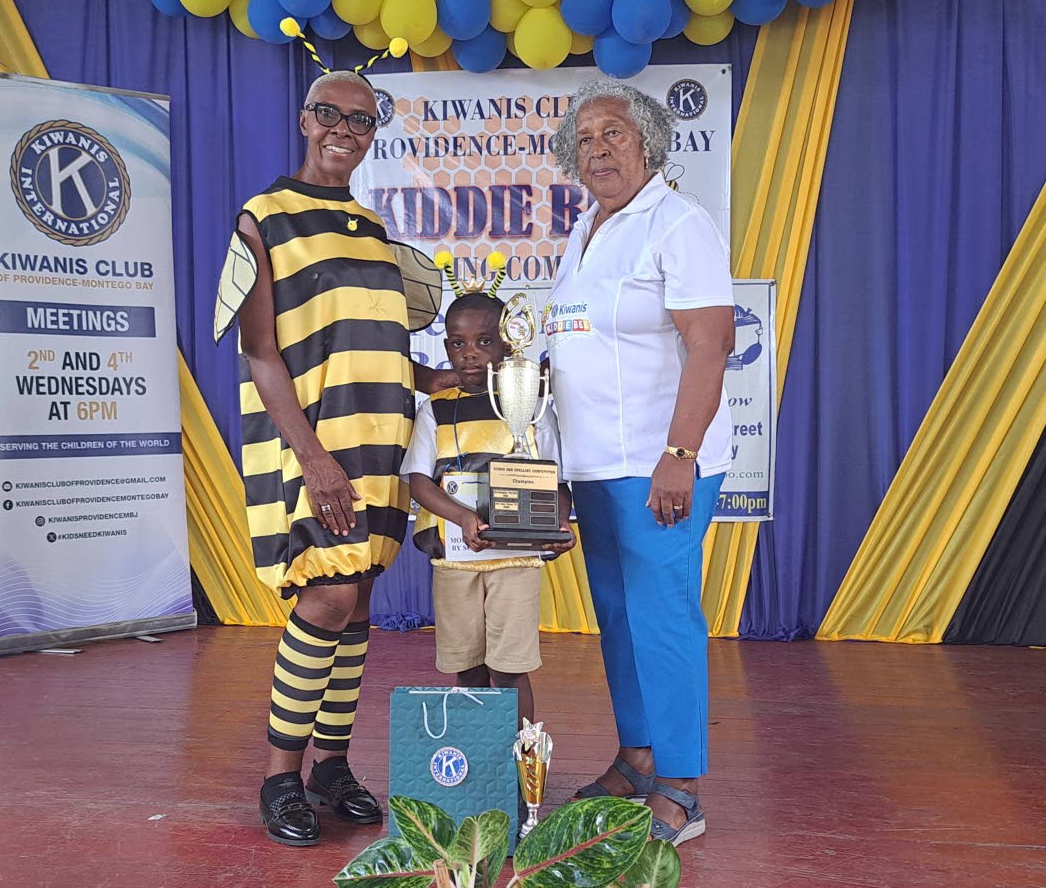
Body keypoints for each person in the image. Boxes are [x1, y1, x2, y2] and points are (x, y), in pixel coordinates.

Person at [214, 70, 454, 847]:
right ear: (305, 119)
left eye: (361, 118)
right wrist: (313, 459)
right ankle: (281, 773)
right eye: (330, 114)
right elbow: (263, 357)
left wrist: (433, 379)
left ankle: (332, 766)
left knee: (356, 607)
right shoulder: (264, 217)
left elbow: (377, 346)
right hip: (313, 442)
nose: (345, 129)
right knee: (322, 599)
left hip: (379, 440)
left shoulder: (373, 228)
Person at [544, 78, 736, 846]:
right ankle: (638, 755)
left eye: (614, 134)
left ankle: (682, 788)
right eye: (585, 139)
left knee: (663, 623)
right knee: (619, 621)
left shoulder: (679, 223)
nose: (598, 149)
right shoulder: (582, 232)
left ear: (650, 144)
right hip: (594, 467)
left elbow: (710, 345)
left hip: (660, 466)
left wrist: (680, 455)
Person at [400, 291, 574, 727]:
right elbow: (419, 480)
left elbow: (555, 477)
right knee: (468, 666)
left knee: (510, 666)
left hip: (514, 559)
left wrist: (558, 520)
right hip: (455, 560)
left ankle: (520, 768)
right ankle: (479, 764)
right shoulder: (435, 410)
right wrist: (461, 517)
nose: (470, 354)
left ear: (509, 343)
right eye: (457, 344)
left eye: (484, 341)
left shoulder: (532, 401)